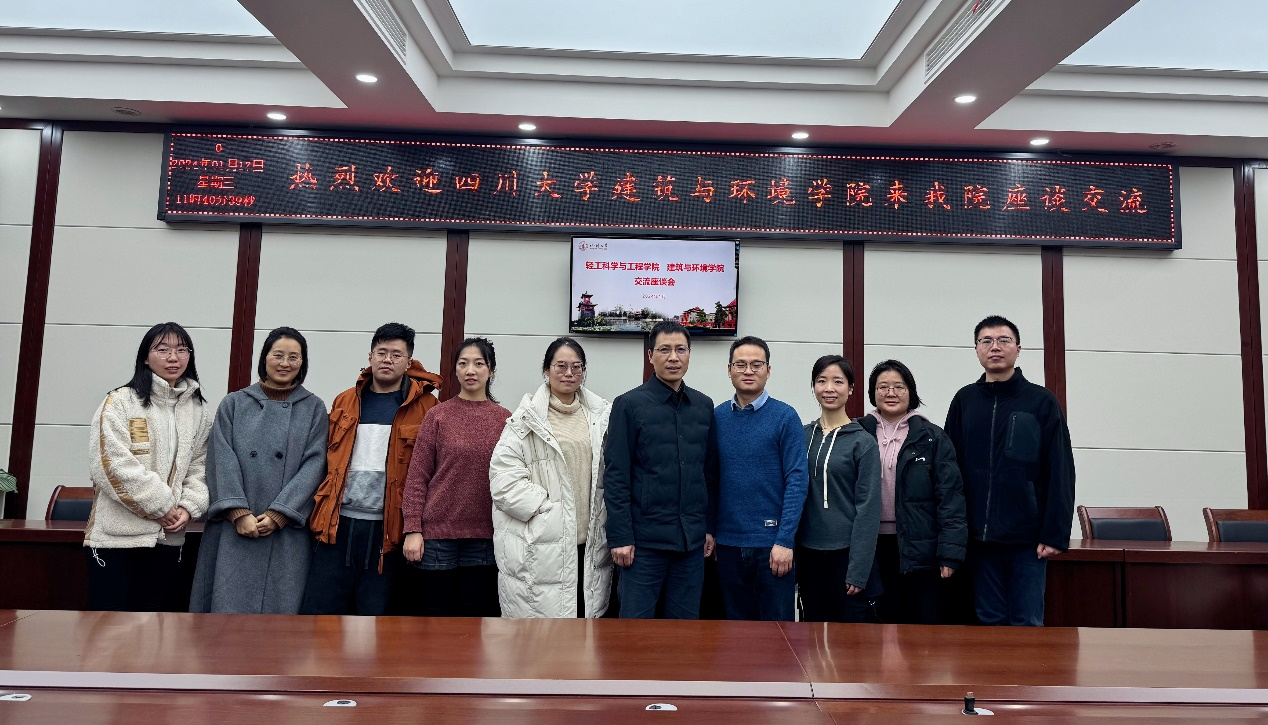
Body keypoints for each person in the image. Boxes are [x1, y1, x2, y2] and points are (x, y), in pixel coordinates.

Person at [300, 323, 443, 615]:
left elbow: (432, 471)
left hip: (388, 528)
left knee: (376, 618)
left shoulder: (426, 407)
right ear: (370, 357)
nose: (387, 359)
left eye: (396, 354)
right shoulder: (345, 400)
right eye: (381, 352)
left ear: (408, 362)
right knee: (322, 615)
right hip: (337, 523)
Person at [944, 315, 1075, 627]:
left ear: (1018, 349)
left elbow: (1060, 470)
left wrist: (1054, 533)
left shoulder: (1041, 401)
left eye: (1004, 340)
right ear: (977, 349)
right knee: (988, 621)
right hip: (978, 540)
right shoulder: (965, 400)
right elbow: (949, 471)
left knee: (1027, 622)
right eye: (986, 341)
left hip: (1028, 540)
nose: (995, 347)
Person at [190, 327, 328, 614]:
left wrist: (280, 514)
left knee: (280, 620)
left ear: (303, 362)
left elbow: (315, 465)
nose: (285, 363)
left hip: (285, 531)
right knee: (227, 616)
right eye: (278, 355)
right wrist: (238, 512)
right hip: (234, 528)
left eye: (294, 357)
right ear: (265, 358)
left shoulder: (314, 408)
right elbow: (220, 459)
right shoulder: (234, 403)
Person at [85, 322, 213, 612]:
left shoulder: (199, 411)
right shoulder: (120, 401)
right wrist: (161, 506)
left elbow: (201, 467)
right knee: (110, 631)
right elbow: (110, 464)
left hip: (168, 539)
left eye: (182, 350)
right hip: (115, 541)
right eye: (163, 350)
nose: (173, 357)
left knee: (159, 630)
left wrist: (188, 507)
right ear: (145, 357)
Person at [489, 337, 613, 618]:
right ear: (546, 370)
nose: (569, 373)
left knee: (585, 624)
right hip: (544, 541)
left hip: (590, 542)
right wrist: (547, 510)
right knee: (544, 632)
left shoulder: (601, 417)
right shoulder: (526, 419)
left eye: (576, 367)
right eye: (561, 366)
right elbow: (503, 480)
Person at [604, 320, 719, 619]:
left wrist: (708, 528)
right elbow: (616, 476)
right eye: (664, 350)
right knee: (636, 632)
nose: (673, 357)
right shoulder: (629, 405)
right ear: (650, 355)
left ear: (689, 354)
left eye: (681, 350)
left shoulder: (703, 406)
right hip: (643, 545)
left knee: (684, 632)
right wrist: (621, 537)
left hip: (690, 544)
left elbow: (708, 474)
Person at [401, 337, 509, 617]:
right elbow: (417, 476)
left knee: (475, 620)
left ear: (491, 370)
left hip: (485, 537)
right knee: (433, 619)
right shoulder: (437, 416)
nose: (470, 370)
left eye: (479, 364)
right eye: (463, 364)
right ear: (456, 370)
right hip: (437, 536)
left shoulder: (506, 420)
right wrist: (412, 529)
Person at [857, 359, 967, 625]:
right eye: (883, 387)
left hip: (921, 547)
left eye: (899, 386)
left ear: (911, 392)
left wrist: (950, 552)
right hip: (870, 546)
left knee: (921, 627)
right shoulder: (858, 433)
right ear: (873, 392)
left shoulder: (932, 437)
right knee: (879, 625)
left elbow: (950, 498)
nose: (891, 393)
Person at [712, 336, 807, 622]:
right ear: (729, 370)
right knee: (734, 634)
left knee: (778, 634)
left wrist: (785, 541)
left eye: (756, 364)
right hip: (727, 545)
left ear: (768, 370)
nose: (748, 371)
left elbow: (797, 482)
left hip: (773, 546)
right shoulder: (716, 417)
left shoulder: (785, 417)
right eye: (741, 364)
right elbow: (709, 479)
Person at [795, 354, 881, 623]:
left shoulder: (863, 443)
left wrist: (859, 570)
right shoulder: (801, 435)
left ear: (851, 388)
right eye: (822, 381)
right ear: (813, 387)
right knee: (812, 634)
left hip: (846, 555)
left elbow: (868, 510)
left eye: (838, 381)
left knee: (849, 639)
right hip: (808, 553)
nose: (829, 388)